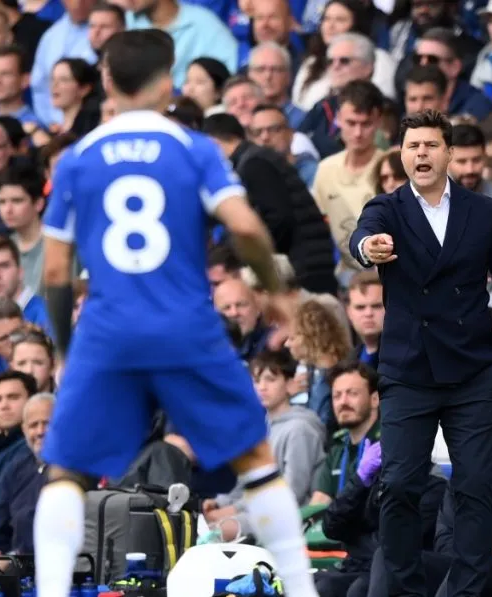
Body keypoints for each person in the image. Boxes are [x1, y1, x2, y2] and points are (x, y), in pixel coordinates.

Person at [34, 30, 318, 597]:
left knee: (65, 471)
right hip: (185, 325)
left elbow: (55, 272)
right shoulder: (194, 150)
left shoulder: (78, 159)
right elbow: (245, 227)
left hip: (109, 330)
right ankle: (301, 590)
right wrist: (277, 292)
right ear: (168, 81)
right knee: (256, 460)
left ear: (107, 81)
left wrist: (66, 347)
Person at [349, 108, 492, 596]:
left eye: (430, 145)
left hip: (474, 372)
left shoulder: (485, 212)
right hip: (409, 373)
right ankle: (407, 591)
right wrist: (370, 248)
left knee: (475, 489)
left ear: (449, 153)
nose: (421, 154)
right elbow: (360, 238)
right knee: (400, 486)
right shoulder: (386, 207)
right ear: (402, 155)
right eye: (412, 146)